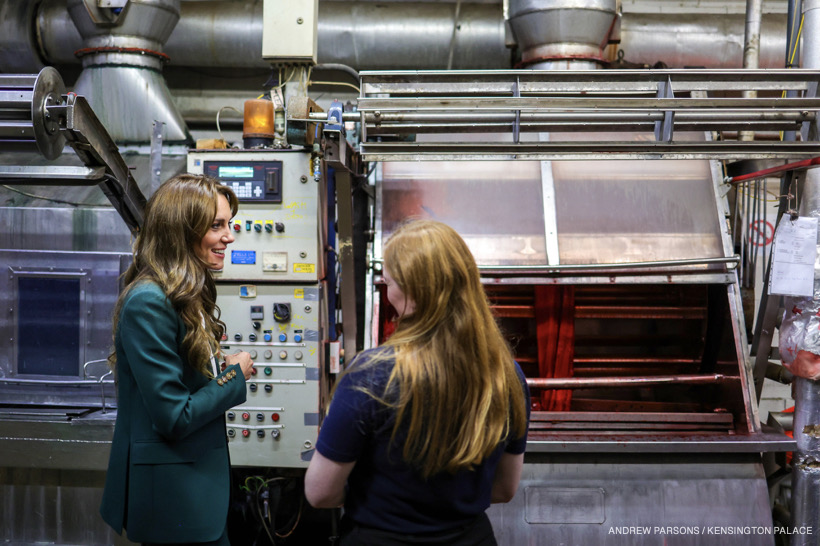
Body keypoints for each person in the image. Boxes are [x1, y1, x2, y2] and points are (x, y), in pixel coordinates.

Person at [305, 219, 531, 546]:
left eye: (390, 280)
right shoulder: (507, 375)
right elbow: (504, 489)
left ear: (413, 292)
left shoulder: (372, 374)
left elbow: (320, 492)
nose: (386, 287)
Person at [100, 173, 254, 545]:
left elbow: (184, 375)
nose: (229, 236)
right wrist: (234, 376)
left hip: (198, 494)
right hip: (175, 501)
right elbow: (175, 416)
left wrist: (215, 364)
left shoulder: (184, 293)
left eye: (228, 225)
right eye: (217, 226)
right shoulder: (148, 302)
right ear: (181, 232)